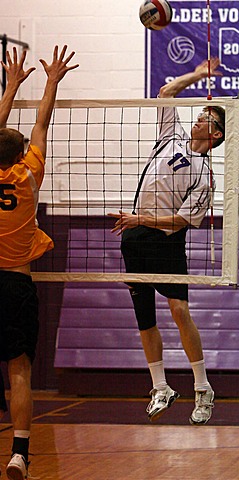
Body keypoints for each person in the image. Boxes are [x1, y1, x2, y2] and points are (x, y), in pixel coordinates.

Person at [109, 58, 225, 425]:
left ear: (217, 135)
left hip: (165, 241)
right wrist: (198, 75)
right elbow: (167, 92)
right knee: (144, 319)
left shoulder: (204, 174)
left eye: (207, 118)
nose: (199, 119)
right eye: (202, 114)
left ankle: (203, 387)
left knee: (179, 311)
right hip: (135, 236)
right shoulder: (170, 137)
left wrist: (139, 219)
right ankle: (160, 386)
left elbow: (184, 220)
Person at [0, 45, 78, 480]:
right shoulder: (29, 175)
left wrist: (11, 85)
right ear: (20, 154)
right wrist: (51, 82)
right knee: (20, 371)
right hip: (15, 284)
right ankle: (19, 454)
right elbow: (42, 123)